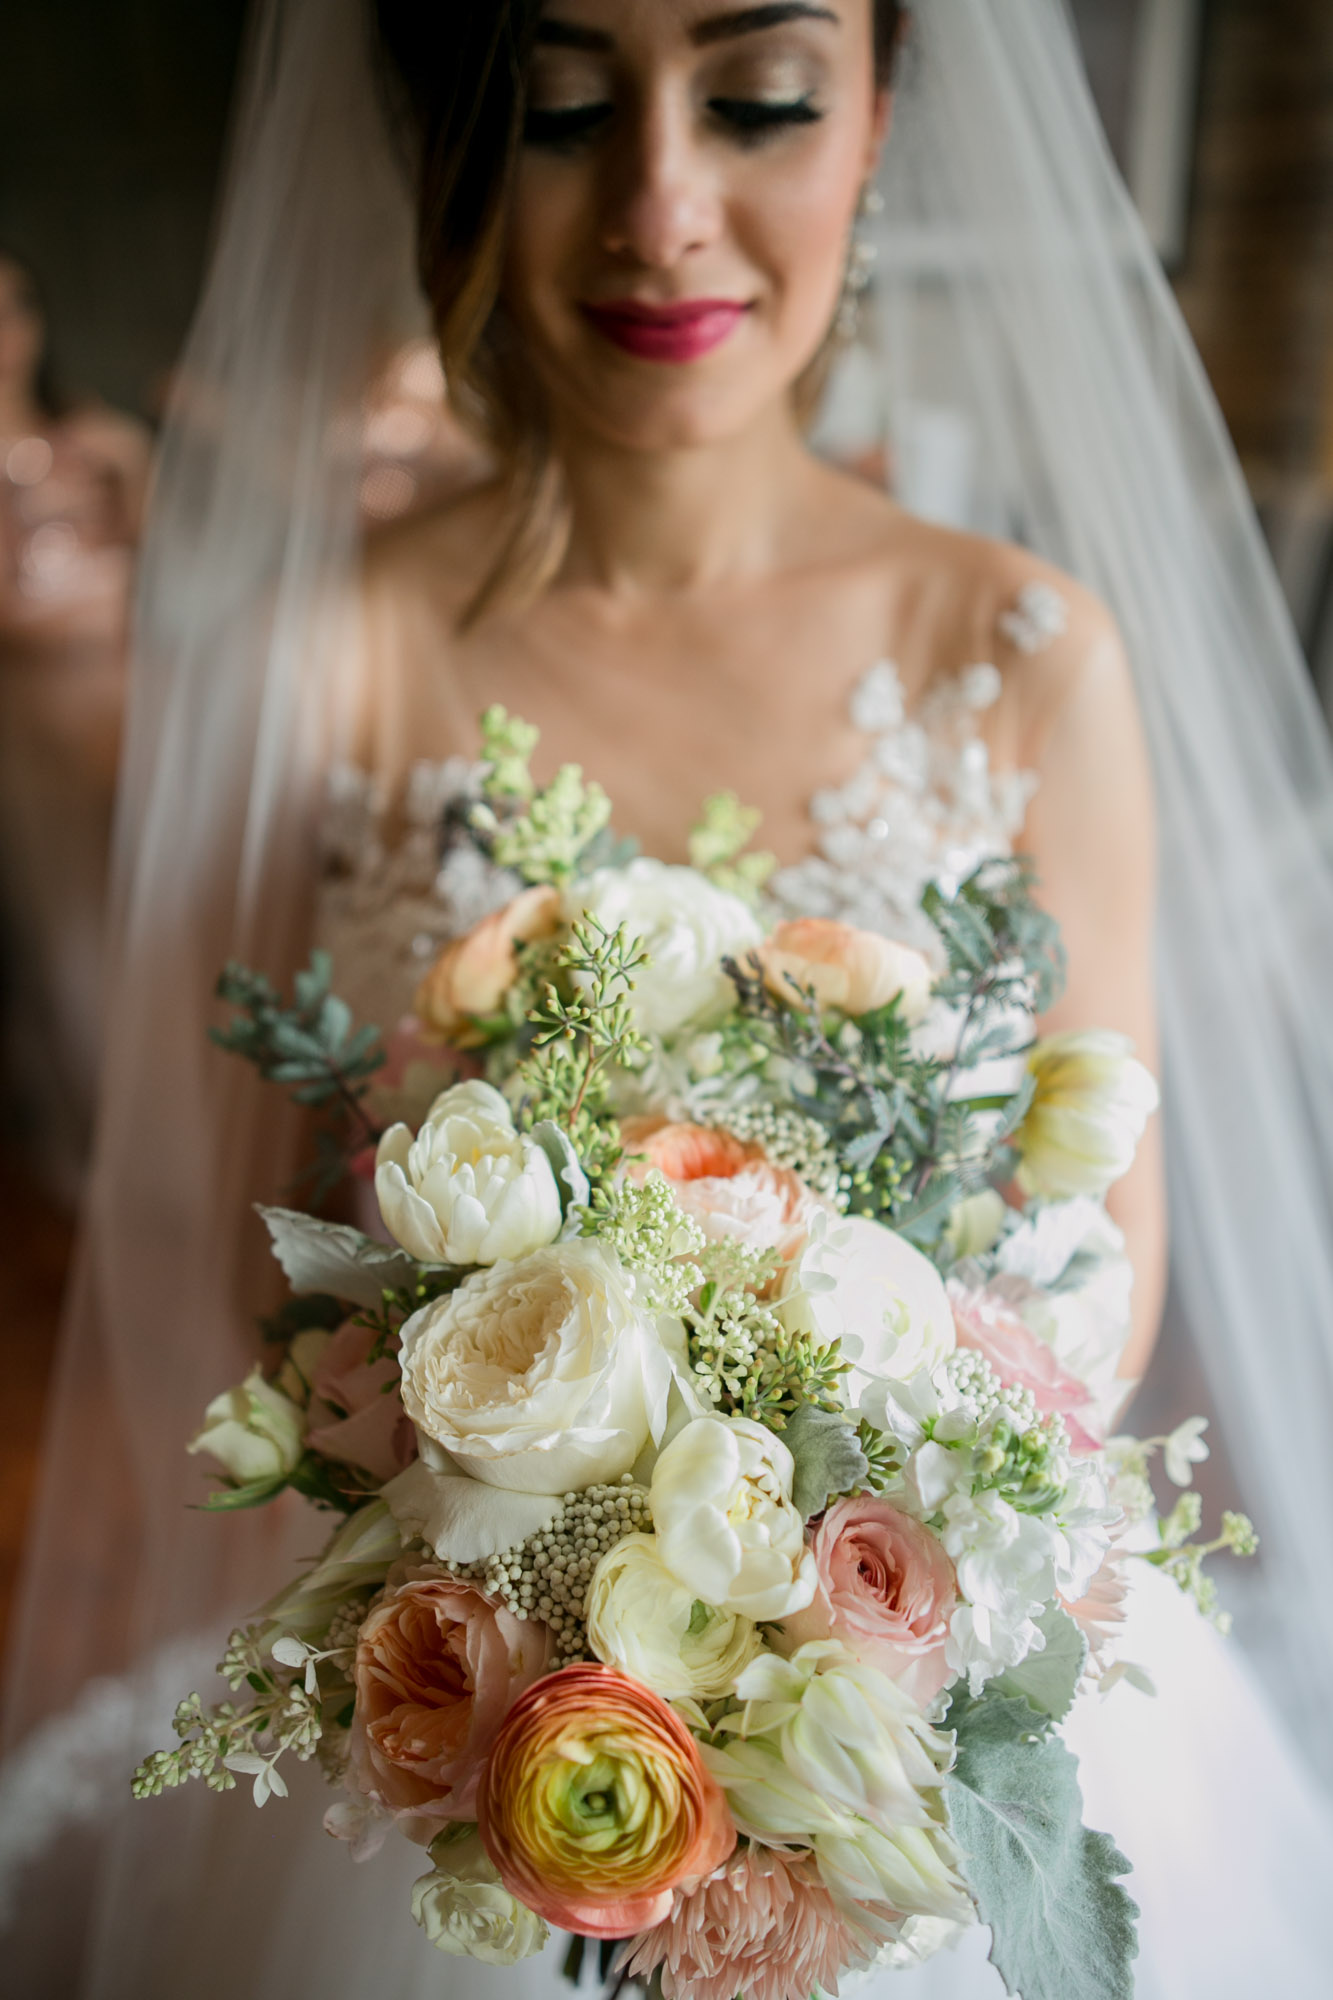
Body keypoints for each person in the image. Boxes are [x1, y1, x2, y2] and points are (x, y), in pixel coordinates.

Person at [3, 2, 1333, 1995]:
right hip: (474, 1720)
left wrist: (832, 1578)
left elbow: (1104, 1254)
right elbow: (244, 1257)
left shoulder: (1018, 648)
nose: (661, 204)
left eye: (759, 100)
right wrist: (546, 1549)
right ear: (455, 147)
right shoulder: (320, 659)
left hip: (925, 1684)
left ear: (873, 113)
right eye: (560, 110)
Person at [0, 249, 150, 1198]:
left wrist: (134, 466)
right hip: (33, 722)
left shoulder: (92, 438)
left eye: (14, 303)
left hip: (136, 706)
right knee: (73, 937)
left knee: (158, 913)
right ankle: (101, 1146)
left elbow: (177, 567)